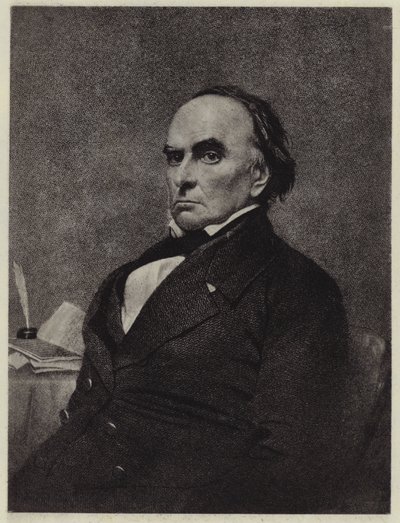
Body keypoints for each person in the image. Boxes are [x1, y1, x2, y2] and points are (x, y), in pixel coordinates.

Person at [9, 85, 351, 513]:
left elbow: (290, 467)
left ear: (259, 175)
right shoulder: (125, 275)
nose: (182, 177)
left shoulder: (298, 286)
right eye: (174, 157)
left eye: (210, 155)